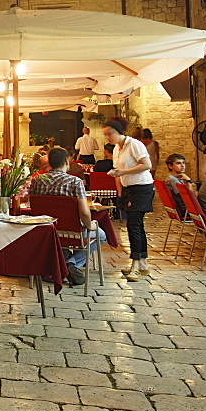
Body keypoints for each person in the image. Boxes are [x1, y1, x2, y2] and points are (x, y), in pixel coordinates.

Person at [29, 147, 107, 286]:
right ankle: (70, 265)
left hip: (46, 230)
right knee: (100, 235)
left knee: (60, 237)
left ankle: (62, 266)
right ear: (67, 161)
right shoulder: (75, 182)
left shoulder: (36, 181)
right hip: (71, 232)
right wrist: (90, 225)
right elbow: (84, 212)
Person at [104, 117, 155, 281]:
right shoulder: (116, 149)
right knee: (137, 224)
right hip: (128, 188)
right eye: (105, 135)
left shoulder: (134, 144)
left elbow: (147, 165)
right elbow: (117, 171)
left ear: (119, 131)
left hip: (141, 187)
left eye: (110, 133)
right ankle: (143, 263)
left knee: (134, 224)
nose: (108, 137)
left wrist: (124, 173)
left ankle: (135, 265)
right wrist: (120, 193)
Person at [165, 153, 195, 219]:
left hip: (186, 208)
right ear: (170, 166)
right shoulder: (172, 179)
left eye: (183, 163)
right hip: (187, 211)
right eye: (178, 163)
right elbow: (189, 197)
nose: (183, 166)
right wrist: (188, 180)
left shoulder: (177, 177)